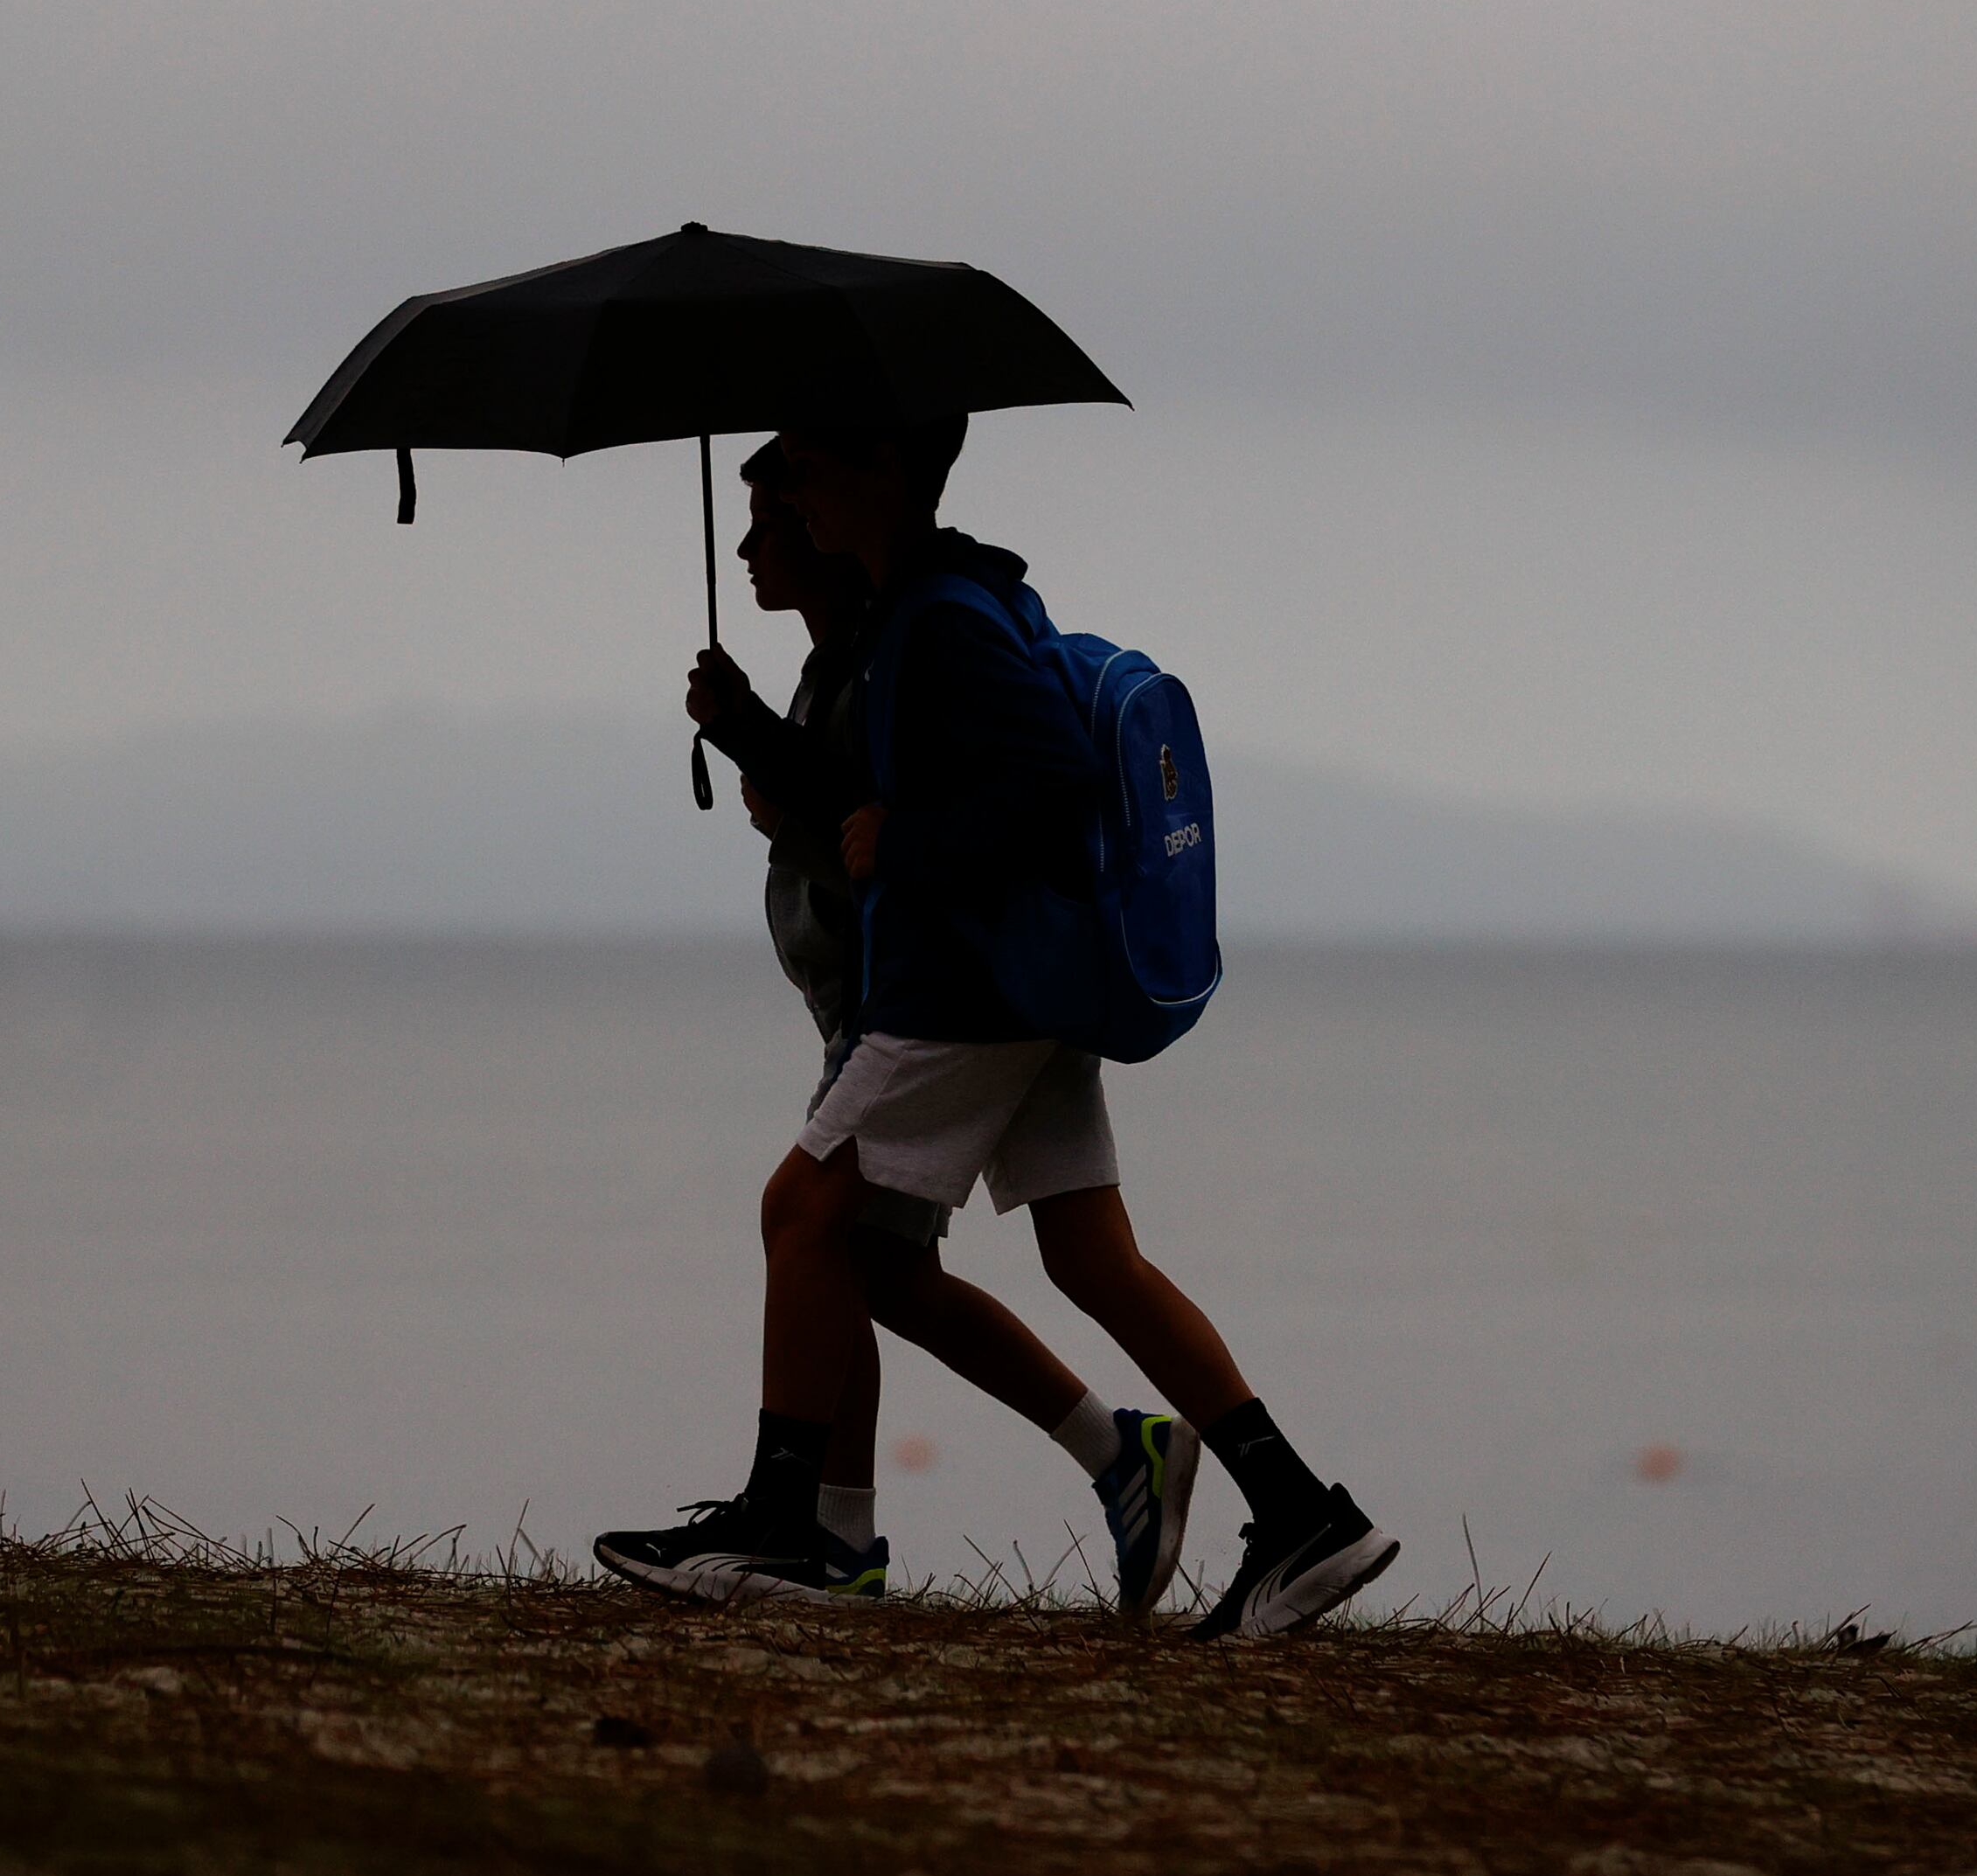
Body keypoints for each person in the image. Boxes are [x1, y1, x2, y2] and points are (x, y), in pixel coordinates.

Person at [595, 413, 1396, 1639]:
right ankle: (1297, 1508)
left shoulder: (945, 614)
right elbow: (896, 789)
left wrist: (909, 843)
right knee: (1087, 1257)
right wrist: (756, 732)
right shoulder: (925, 607)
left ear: (885, 466)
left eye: (807, 467)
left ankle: (791, 1525)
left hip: (961, 990)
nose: (793, 496)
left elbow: (1053, 784)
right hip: (1022, 987)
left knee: (801, 1214)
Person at [638, 444, 1197, 1615]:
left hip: (927, 1005)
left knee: (814, 1228)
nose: (748, 546)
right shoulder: (859, 658)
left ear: (825, 514)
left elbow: (935, 812)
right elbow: (853, 808)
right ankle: (1093, 1468)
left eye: (769, 516)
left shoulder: (911, 641)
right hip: (917, 999)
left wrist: (835, 804)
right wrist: (750, 733)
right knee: (872, 1260)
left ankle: (818, 1529)